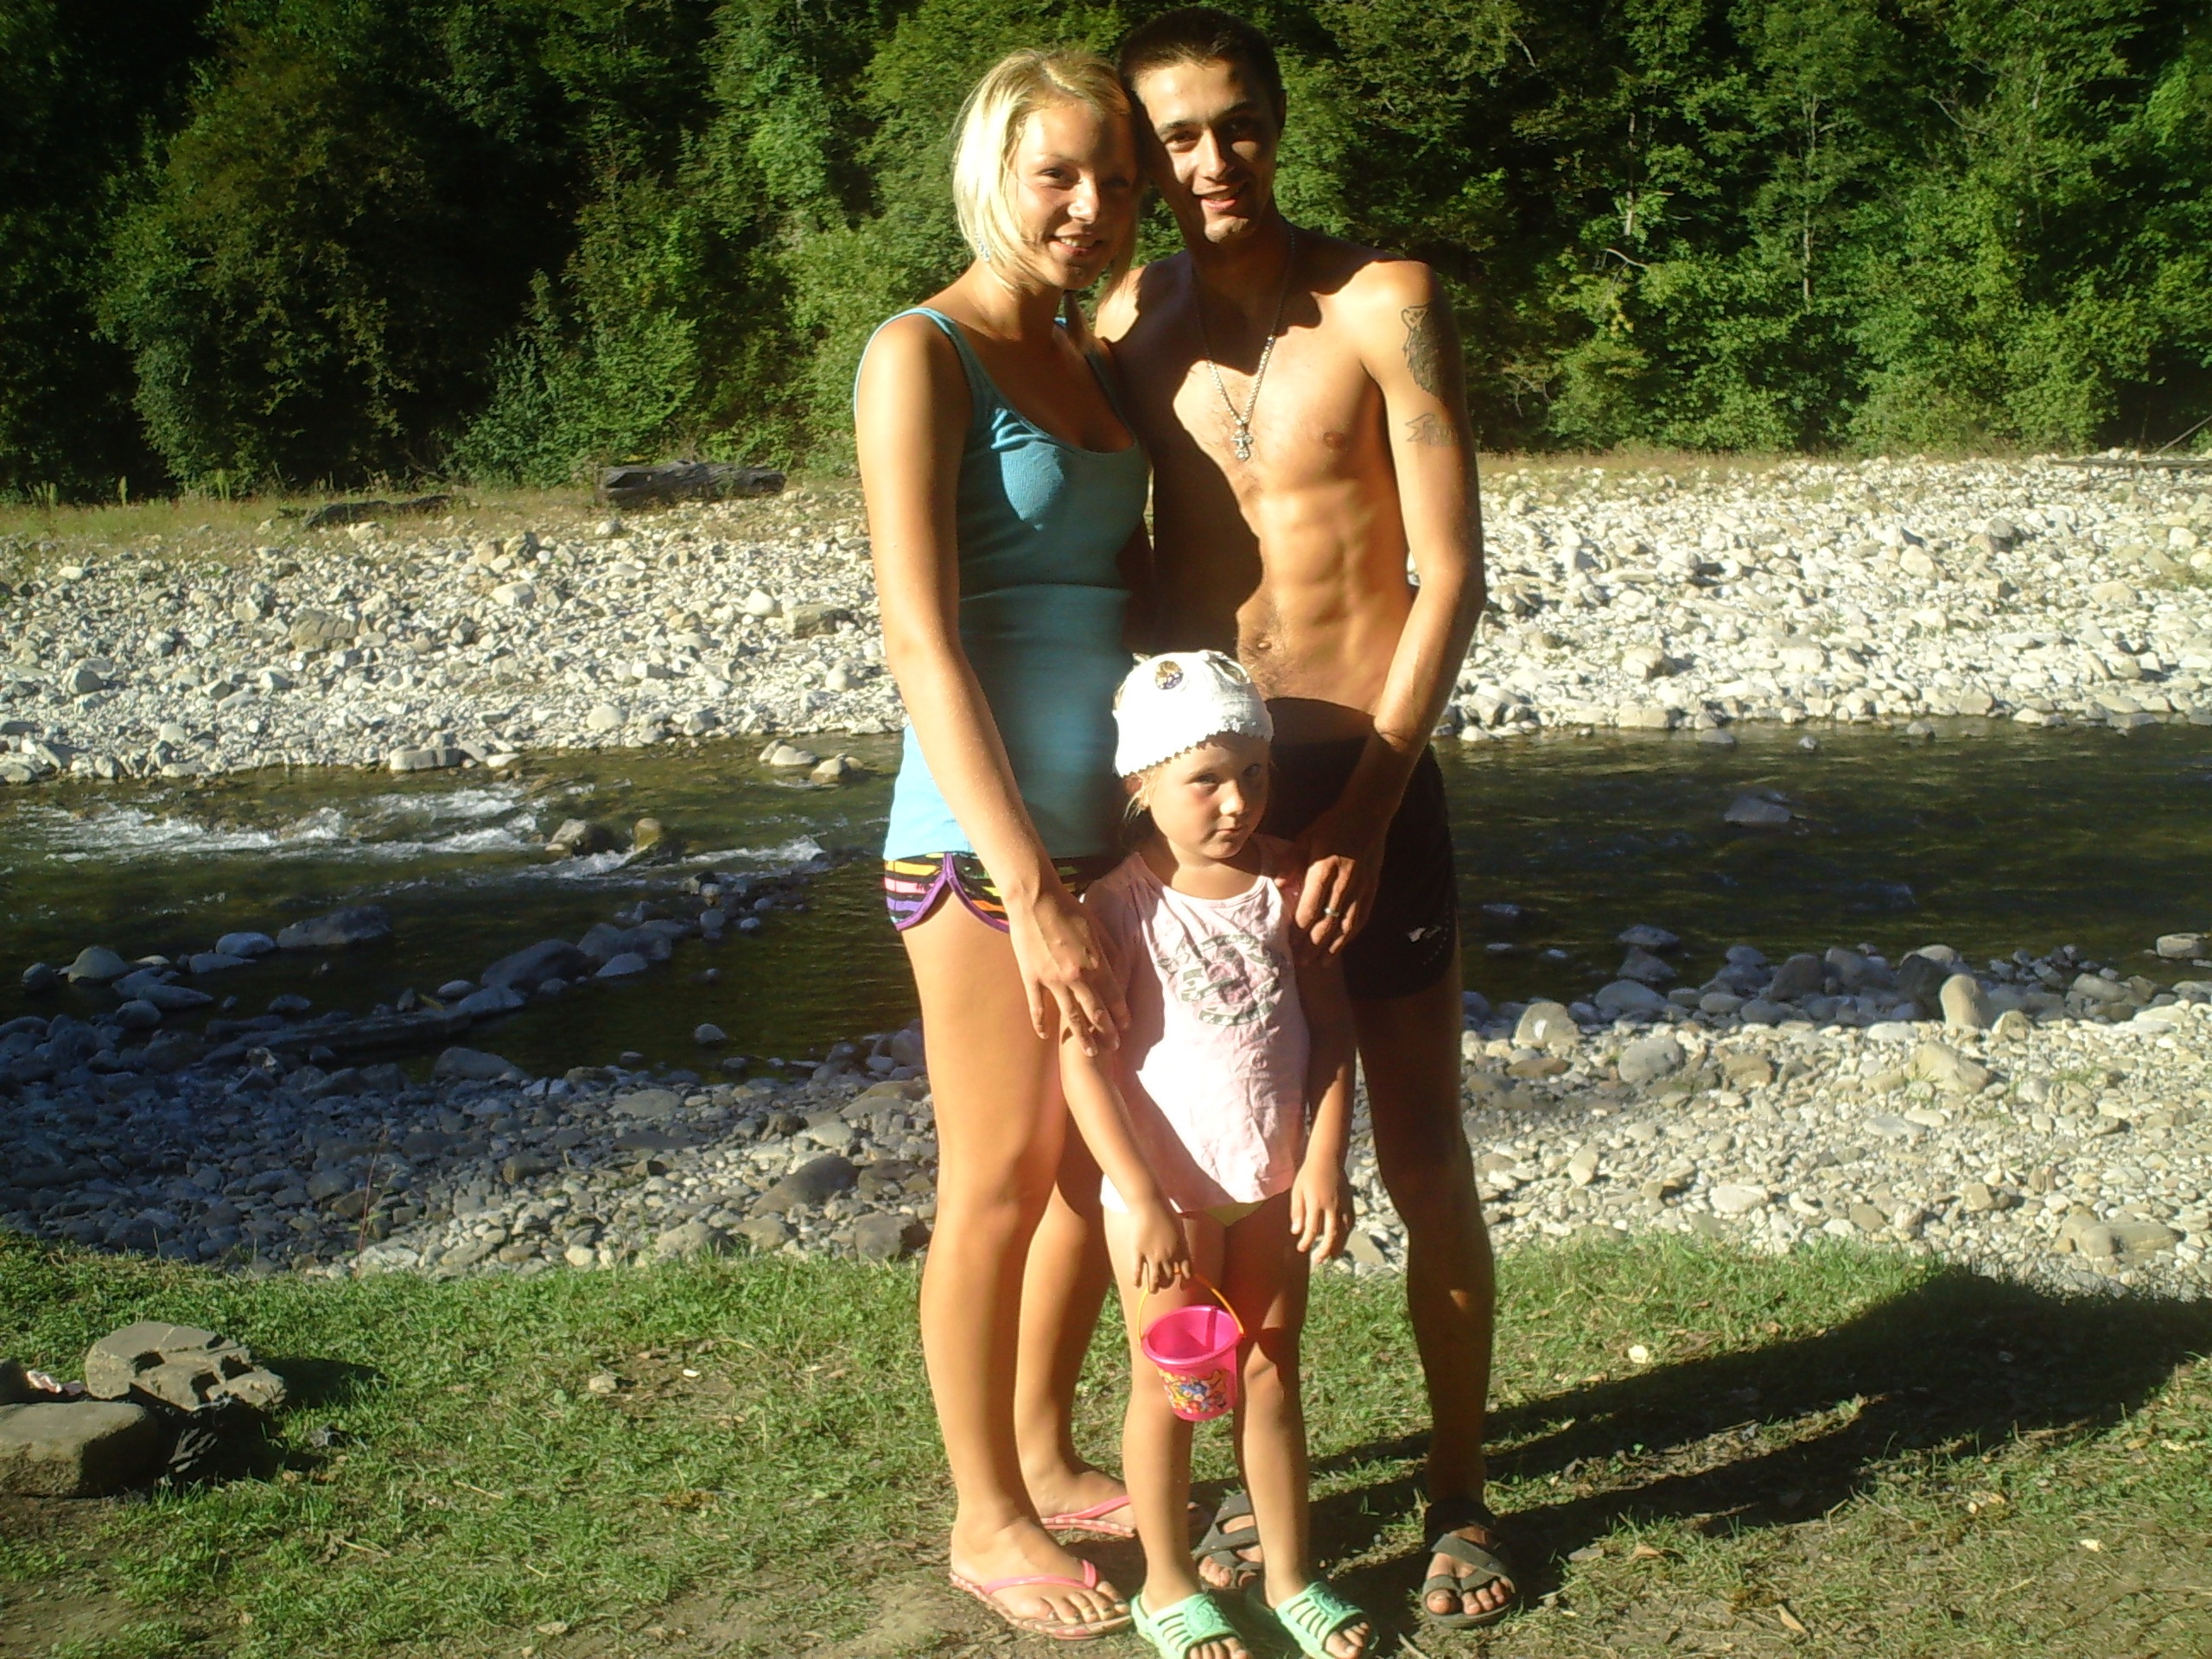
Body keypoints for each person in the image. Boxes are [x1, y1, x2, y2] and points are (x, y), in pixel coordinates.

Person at [1097, 7, 1515, 1630]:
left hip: (1364, 783)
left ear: (1277, 120)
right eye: (1176, 138)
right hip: (1209, 814)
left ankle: (1459, 1495)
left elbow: (1448, 574)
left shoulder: (1386, 302)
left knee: (1415, 1148)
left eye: (1236, 124)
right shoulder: (1129, 321)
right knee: (1214, 1170)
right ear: (1145, 159)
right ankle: (1229, 1495)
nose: (1212, 161)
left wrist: (1370, 809)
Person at [854, 47, 1150, 1642]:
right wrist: (1028, 883)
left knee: (1093, 1172)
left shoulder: (1092, 360)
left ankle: (1043, 1454)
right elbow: (921, 639)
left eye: (1115, 178)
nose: (1091, 205)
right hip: (979, 849)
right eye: (1059, 174)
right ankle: (984, 1517)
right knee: (998, 1178)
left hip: (1110, 832)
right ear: (995, 174)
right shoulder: (923, 353)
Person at [1059, 650, 1371, 1659]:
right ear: (1140, 785)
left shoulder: (1288, 884)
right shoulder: (1115, 910)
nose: (1235, 803)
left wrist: (1322, 1159)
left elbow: (1331, 1031)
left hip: (1270, 1185)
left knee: (1271, 1374)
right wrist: (1141, 1196)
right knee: (1175, 1392)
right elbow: (1084, 1068)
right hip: (1167, 1204)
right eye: (1205, 780)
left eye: (1254, 776)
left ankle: (1290, 1577)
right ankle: (1165, 1585)